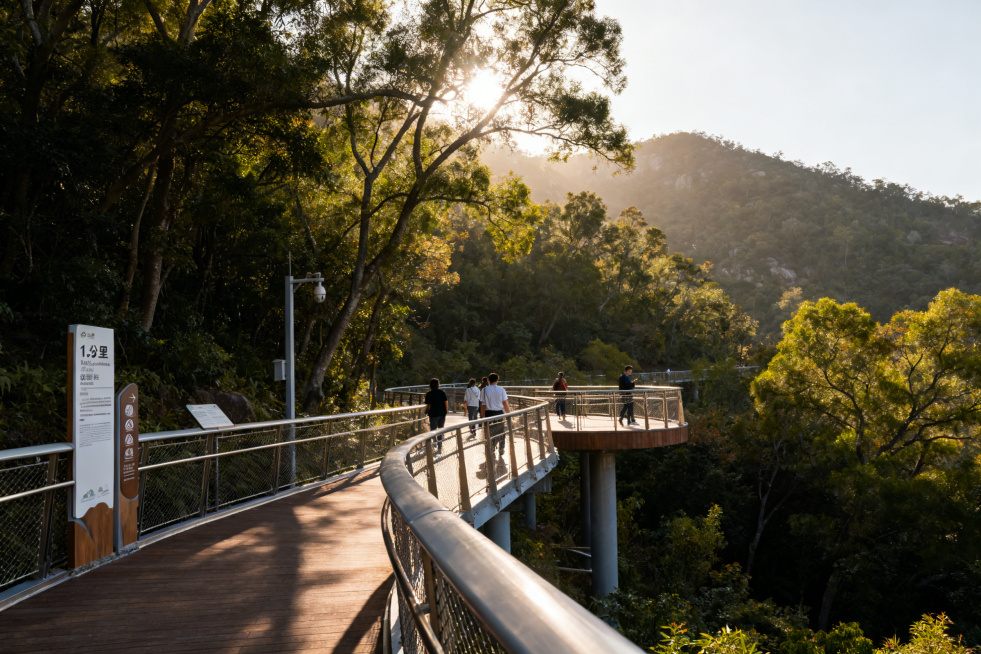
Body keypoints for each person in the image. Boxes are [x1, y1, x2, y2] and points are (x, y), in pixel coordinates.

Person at [480, 372, 510, 456]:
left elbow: (483, 405)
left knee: (490, 431)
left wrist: (483, 417)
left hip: (488, 413)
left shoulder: (484, 390)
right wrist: (508, 414)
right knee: (501, 430)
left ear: (488, 380)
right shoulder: (501, 390)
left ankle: (492, 446)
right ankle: (501, 448)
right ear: (497, 380)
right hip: (499, 413)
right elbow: (505, 403)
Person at [424, 378, 449, 452]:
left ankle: (434, 443)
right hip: (441, 414)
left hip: (433, 414)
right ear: (437, 385)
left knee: (433, 430)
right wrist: (445, 412)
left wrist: (427, 412)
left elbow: (428, 406)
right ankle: (439, 447)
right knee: (441, 429)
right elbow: (446, 403)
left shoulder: (429, 394)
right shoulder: (442, 392)